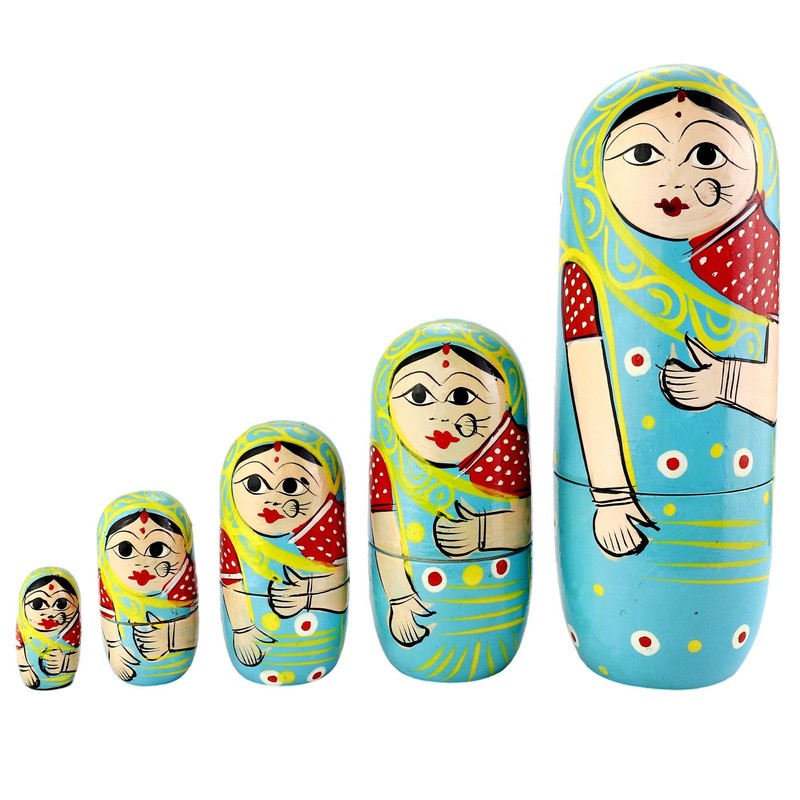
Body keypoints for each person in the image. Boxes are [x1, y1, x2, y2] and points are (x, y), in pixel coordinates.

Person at [556, 66, 778, 687]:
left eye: (706, 154)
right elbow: (588, 384)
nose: (674, 179)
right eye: (644, 154)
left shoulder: (753, 257)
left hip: (732, 497)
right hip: (616, 499)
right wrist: (609, 496)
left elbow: (770, 394)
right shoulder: (588, 272)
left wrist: (725, 384)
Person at [370, 320, 531, 681]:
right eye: (419, 396)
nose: (442, 414)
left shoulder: (504, 454)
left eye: (461, 396)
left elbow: (518, 522)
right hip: (414, 589)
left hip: (495, 589)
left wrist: (483, 532)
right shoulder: (389, 463)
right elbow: (384, 524)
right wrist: (399, 598)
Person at [220, 421, 348, 685]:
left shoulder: (322, 527)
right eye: (254, 484)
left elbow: (336, 593)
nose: (273, 499)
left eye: (291, 486)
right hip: (256, 631)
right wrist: (242, 628)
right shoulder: (235, 538)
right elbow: (233, 584)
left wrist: (309, 593)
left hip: (317, 636)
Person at [97, 491, 198, 685]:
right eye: (125, 550)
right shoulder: (110, 586)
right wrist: (115, 646)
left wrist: (170, 638)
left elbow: (188, 610)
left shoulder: (181, 583)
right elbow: (110, 615)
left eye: (157, 549)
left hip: (176, 656)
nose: (142, 563)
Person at [16, 569, 81, 690]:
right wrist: (25, 668)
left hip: (64, 677)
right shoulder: (25, 631)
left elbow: (73, 652)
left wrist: (65, 662)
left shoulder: (70, 632)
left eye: (61, 604)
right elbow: (20, 646)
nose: (50, 613)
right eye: (37, 604)